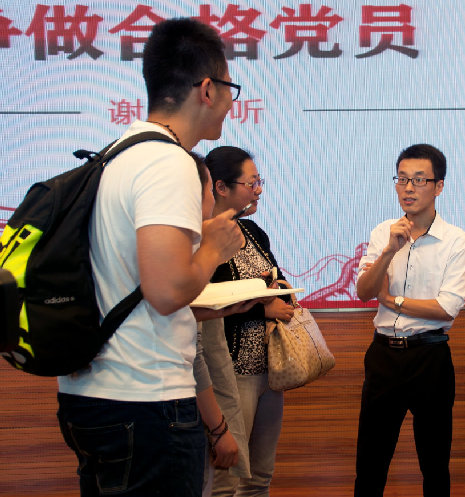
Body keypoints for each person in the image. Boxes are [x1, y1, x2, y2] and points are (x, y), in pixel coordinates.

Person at [56, 18, 244, 496]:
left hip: (94, 394)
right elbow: (165, 291)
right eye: (230, 88)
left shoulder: (119, 153)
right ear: (207, 89)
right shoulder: (169, 161)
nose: (230, 102)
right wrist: (214, 248)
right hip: (144, 401)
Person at [354, 144, 465, 497]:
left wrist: (392, 301)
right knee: (370, 463)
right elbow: (364, 292)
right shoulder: (382, 232)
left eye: (419, 180)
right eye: (402, 179)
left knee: (434, 464)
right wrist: (389, 250)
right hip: (383, 357)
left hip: (430, 358)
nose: (408, 188)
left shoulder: (456, 240)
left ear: (439, 186)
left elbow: (445, 308)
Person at [204, 146, 295, 497]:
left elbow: (277, 281)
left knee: (259, 478)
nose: (258, 190)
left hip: (269, 371)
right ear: (221, 187)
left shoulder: (253, 231)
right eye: (251, 183)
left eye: (260, 182)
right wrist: (262, 308)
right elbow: (203, 306)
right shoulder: (202, 238)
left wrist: (279, 294)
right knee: (225, 481)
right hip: (230, 372)